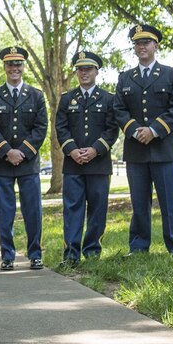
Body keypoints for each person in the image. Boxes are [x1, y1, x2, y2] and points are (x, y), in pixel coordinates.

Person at [113, 25, 173, 257]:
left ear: (156, 45)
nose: (142, 46)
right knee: (139, 204)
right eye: (137, 43)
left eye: (146, 42)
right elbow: (119, 109)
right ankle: (138, 247)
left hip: (165, 150)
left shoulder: (172, 74)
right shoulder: (125, 77)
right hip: (136, 150)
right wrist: (135, 130)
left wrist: (154, 130)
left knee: (169, 203)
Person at [0, 46, 49, 271]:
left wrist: (23, 151)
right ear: (4, 67)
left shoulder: (36, 96)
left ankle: (35, 254)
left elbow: (41, 128)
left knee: (33, 211)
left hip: (28, 163)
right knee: (4, 212)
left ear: (24, 67)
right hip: (1, 163)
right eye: (10, 64)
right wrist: (6, 151)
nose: (14, 68)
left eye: (18, 64)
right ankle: (7, 256)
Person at [55, 51, 118, 267]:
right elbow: (61, 128)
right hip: (73, 165)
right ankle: (71, 254)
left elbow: (112, 130)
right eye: (80, 69)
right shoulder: (66, 99)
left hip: (99, 164)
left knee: (97, 210)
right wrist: (72, 150)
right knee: (72, 209)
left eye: (88, 69)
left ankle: (92, 253)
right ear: (76, 72)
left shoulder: (109, 98)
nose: (84, 73)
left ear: (96, 71)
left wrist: (95, 150)